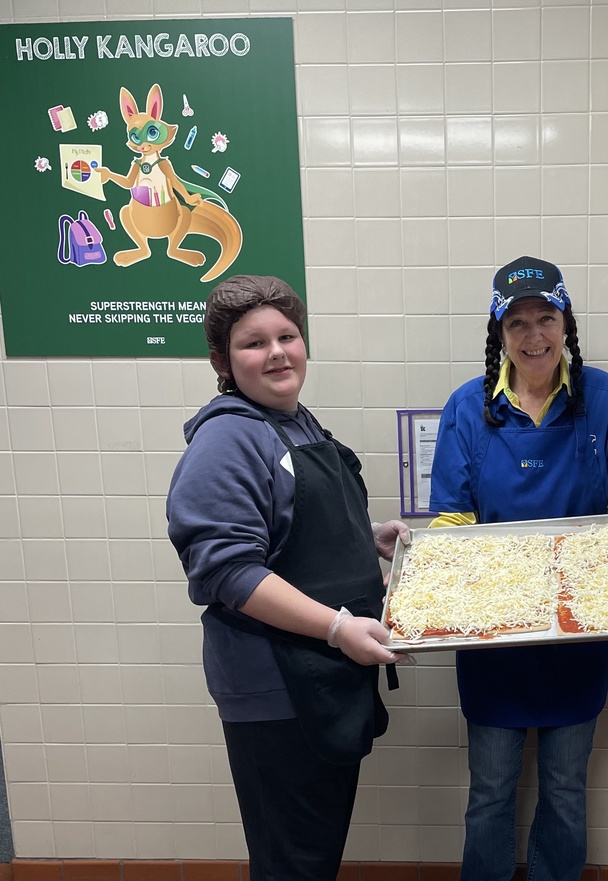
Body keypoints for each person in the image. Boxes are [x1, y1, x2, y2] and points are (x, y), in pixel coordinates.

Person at [166, 275, 408, 881]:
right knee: (292, 862)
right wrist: (337, 628)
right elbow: (229, 570)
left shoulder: (295, 424)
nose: (276, 352)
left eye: (287, 336)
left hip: (324, 678)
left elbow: (293, 531)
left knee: (315, 853)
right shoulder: (228, 438)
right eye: (253, 343)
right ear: (222, 360)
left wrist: (365, 540)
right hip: (278, 687)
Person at [429, 256, 608, 881]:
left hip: (578, 632)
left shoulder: (604, 399)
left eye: (545, 319)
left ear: (565, 322)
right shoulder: (468, 408)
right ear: (498, 332)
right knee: (491, 790)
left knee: (565, 788)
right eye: (517, 323)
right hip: (493, 634)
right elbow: (451, 515)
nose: (533, 337)